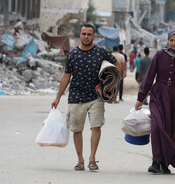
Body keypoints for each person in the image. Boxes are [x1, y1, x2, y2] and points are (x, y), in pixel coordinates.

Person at [51, 23, 122, 171]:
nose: (86, 37)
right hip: (76, 96)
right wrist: (58, 97)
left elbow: (117, 65)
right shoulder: (72, 54)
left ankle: (92, 159)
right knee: (77, 129)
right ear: (80, 35)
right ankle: (80, 159)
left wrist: (112, 84)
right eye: (83, 34)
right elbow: (66, 77)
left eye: (89, 34)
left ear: (94, 36)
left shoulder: (101, 52)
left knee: (96, 126)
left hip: (96, 96)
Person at [134, 26, 175, 174]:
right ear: (167, 40)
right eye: (171, 40)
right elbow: (149, 76)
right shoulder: (159, 54)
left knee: (170, 130)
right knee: (157, 127)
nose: (173, 43)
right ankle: (156, 161)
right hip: (158, 94)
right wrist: (140, 97)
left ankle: (165, 162)